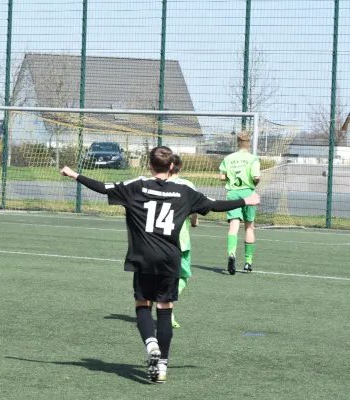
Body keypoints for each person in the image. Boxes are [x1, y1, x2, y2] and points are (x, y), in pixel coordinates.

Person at [60, 146, 260, 384]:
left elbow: (104, 188)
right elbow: (215, 205)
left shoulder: (137, 186)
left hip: (143, 256)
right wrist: (246, 199)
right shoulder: (184, 191)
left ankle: (150, 344)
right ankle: (162, 366)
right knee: (165, 309)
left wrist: (74, 175)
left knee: (142, 305)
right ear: (172, 166)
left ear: (149, 165)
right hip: (170, 257)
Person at [219, 131, 261, 274]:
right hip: (248, 193)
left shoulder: (229, 158)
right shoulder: (253, 159)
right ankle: (248, 262)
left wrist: (229, 178)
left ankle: (232, 254)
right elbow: (256, 177)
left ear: (237, 143)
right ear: (249, 143)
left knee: (233, 226)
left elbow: (222, 176)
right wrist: (255, 181)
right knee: (249, 227)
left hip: (233, 194)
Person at [167, 154, 198, 329]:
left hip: (156, 237)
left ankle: (164, 304)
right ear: (180, 168)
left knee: (163, 276)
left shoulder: (155, 183)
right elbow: (195, 210)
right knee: (182, 277)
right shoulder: (187, 185)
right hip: (180, 238)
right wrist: (194, 221)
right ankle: (167, 305)